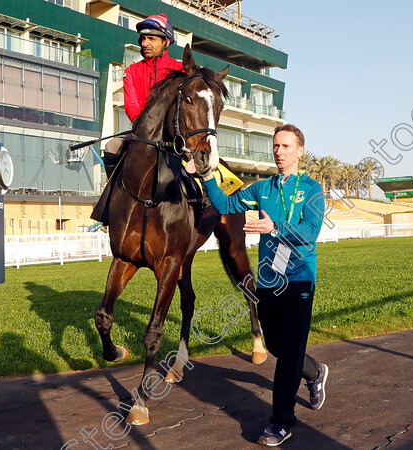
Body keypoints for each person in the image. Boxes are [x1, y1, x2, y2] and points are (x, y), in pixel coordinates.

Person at [199, 124, 328, 447]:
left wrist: (275, 226)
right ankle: (314, 372)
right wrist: (206, 177)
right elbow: (226, 205)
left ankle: (281, 421)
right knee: (275, 346)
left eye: (286, 146)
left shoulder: (311, 189)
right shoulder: (262, 188)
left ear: (300, 151)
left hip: (299, 279)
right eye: (275, 146)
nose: (279, 151)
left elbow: (310, 233)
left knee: (288, 356)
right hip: (269, 281)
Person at [103, 14, 183, 177]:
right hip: (143, 132)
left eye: (151, 39)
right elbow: (131, 105)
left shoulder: (180, 69)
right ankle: (110, 192)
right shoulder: (131, 71)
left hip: (173, 134)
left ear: (166, 42)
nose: (145, 43)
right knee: (111, 146)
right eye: (143, 38)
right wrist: (145, 126)